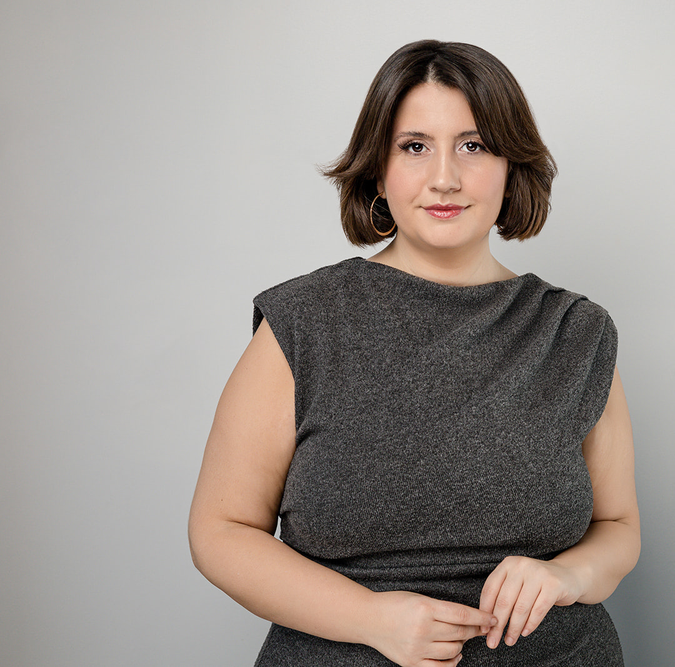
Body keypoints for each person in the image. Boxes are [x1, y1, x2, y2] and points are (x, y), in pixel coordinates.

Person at [189, 40, 640, 667]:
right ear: (378, 169)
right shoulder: (305, 322)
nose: (444, 177)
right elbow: (220, 531)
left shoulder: (577, 332)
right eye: (415, 146)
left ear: (511, 166)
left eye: (474, 146)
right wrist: (371, 619)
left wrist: (569, 575)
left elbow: (618, 528)